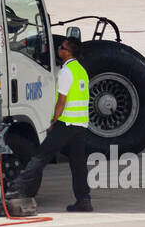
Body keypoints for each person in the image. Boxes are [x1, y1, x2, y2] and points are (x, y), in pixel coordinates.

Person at [9, 34, 93, 212]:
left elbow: (61, 101)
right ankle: (84, 199)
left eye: (62, 47)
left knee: (41, 155)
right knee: (78, 163)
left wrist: (54, 121)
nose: (58, 49)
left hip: (66, 123)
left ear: (68, 53)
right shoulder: (81, 70)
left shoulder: (66, 72)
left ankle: (17, 187)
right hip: (81, 124)